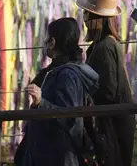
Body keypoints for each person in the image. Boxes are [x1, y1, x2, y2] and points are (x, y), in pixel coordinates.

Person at [15, 17, 99, 166]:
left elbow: (69, 117)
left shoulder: (67, 75)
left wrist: (42, 102)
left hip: (58, 157)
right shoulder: (54, 72)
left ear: (52, 42)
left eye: (46, 39)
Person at [76, 0, 135, 166]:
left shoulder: (105, 47)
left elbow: (107, 92)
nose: (84, 19)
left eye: (86, 14)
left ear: (96, 18)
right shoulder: (102, 44)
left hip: (113, 126)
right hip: (111, 123)